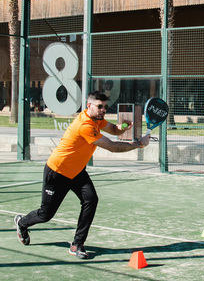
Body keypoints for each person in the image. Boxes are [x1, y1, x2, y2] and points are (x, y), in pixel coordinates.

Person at [14, 91, 151, 260]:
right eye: (99, 106)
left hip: (77, 171)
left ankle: (77, 244)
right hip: (57, 171)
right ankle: (22, 222)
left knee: (91, 200)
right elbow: (112, 147)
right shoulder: (85, 125)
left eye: (105, 107)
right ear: (89, 106)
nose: (103, 110)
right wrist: (139, 144)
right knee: (45, 215)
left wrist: (123, 127)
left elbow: (114, 130)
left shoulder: (97, 119)